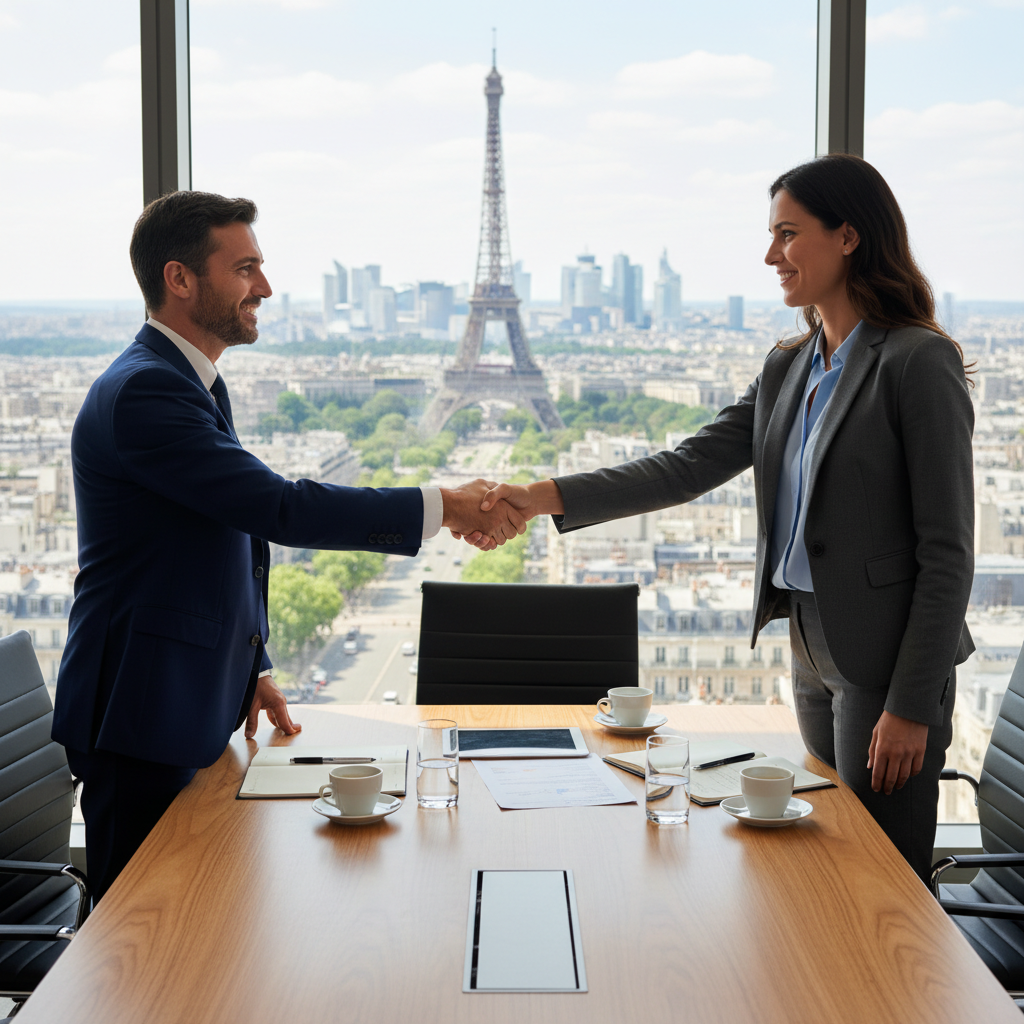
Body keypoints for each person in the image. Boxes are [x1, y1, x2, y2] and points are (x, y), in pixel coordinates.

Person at [470, 154, 975, 883]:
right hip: (808, 641)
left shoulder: (916, 362)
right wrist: (536, 494)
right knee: (827, 858)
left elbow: (948, 552)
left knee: (882, 877)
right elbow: (686, 466)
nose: (771, 255)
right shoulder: (790, 366)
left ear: (849, 237)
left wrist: (912, 703)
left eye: (788, 234)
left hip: (888, 661)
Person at [53, 190, 523, 900]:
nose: (265, 288)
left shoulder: (185, 381)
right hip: (142, 715)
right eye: (245, 269)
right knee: (139, 952)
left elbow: (209, 539)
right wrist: (442, 505)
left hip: (173, 701)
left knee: (190, 932)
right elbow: (273, 507)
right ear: (180, 279)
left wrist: (248, 665)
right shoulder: (148, 392)